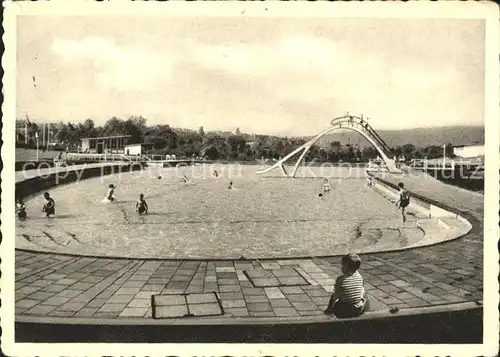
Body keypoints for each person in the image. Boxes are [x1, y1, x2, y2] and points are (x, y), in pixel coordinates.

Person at [324, 253, 368, 318]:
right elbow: (362, 292)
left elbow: (336, 295)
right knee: (364, 294)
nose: (341, 268)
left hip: (344, 310)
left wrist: (332, 305)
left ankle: (329, 310)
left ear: (346, 267)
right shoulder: (360, 277)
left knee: (334, 296)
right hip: (358, 309)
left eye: (342, 266)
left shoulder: (340, 279)